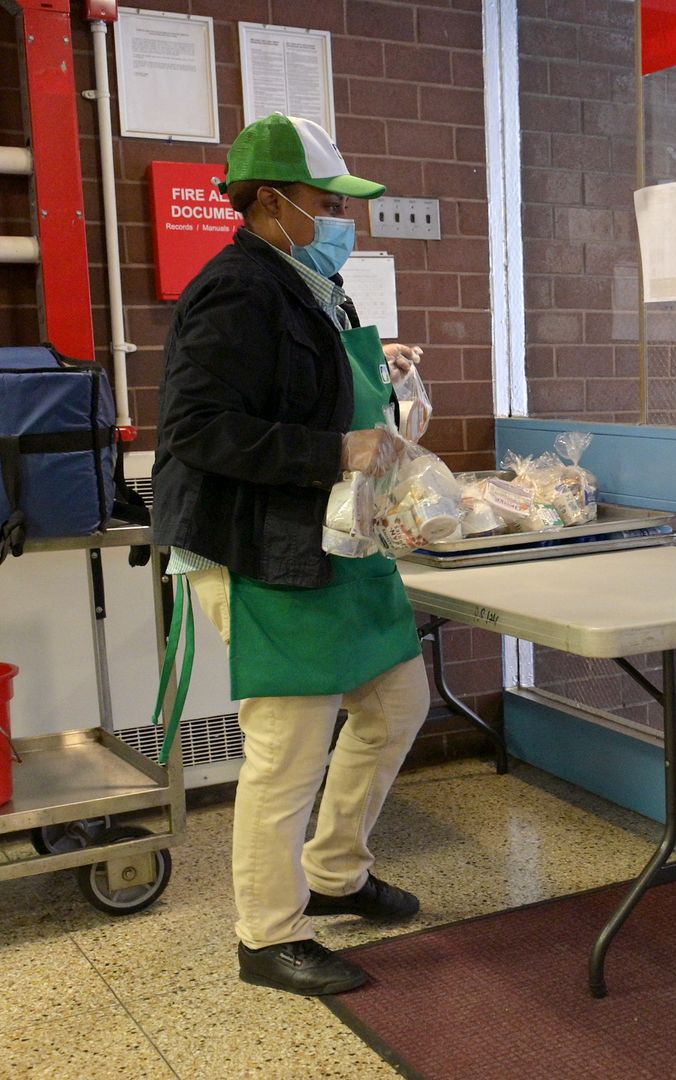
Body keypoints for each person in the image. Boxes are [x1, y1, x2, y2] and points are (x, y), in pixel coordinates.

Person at [153, 113, 430, 998]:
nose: (343, 218)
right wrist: (331, 452)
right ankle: (267, 935)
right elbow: (198, 428)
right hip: (264, 549)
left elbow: (294, 378)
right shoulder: (235, 288)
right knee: (288, 749)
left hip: (332, 541)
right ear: (271, 201)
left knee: (396, 701)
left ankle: (336, 873)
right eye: (325, 201)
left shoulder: (307, 279)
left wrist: (374, 365)